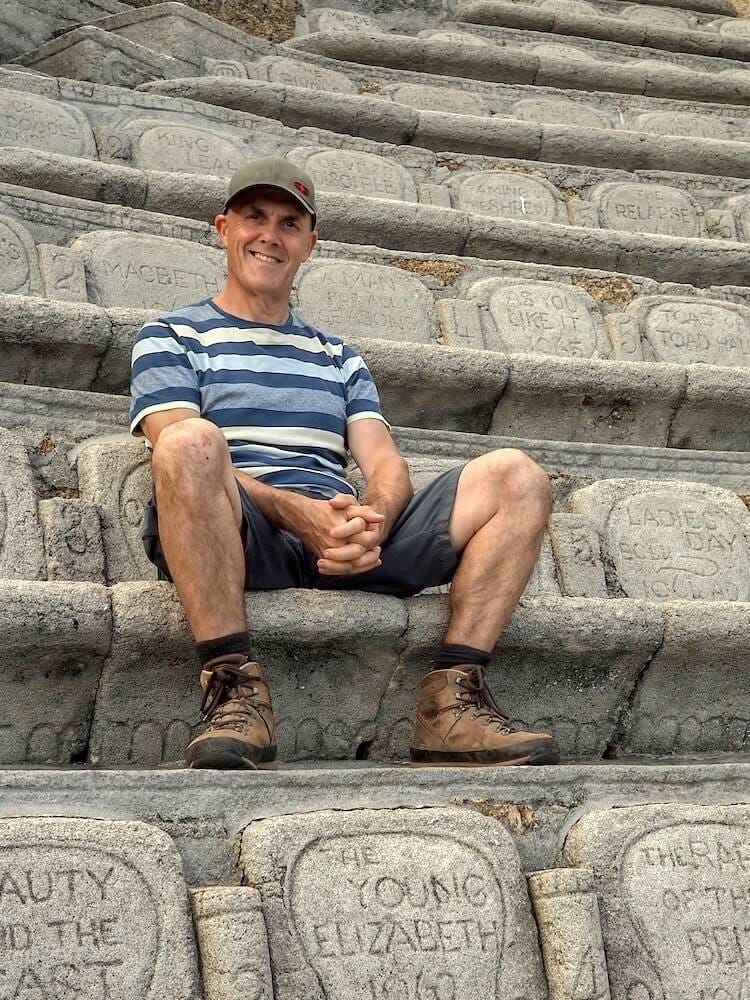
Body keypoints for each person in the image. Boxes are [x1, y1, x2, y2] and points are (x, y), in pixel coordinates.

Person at [129, 156, 559, 770]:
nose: (270, 236)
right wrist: (297, 514)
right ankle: (234, 691)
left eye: (289, 224)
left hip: (343, 537)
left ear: (310, 243)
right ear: (223, 228)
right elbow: (172, 445)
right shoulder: (170, 336)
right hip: (242, 530)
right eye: (254, 217)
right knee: (187, 442)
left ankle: (451, 704)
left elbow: (385, 464)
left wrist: (371, 521)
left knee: (518, 475)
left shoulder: (337, 356)